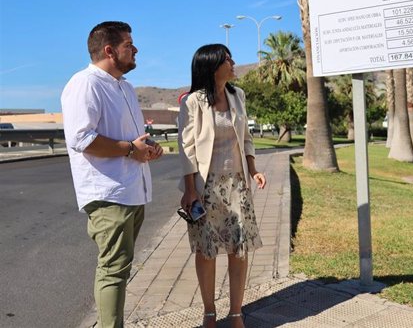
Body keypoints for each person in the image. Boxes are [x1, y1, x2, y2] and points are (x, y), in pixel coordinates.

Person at [61, 21, 164, 328]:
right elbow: (81, 139)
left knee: (120, 269)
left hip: (132, 191)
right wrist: (131, 150)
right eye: (128, 44)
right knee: (113, 269)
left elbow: (131, 139)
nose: (135, 50)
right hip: (108, 194)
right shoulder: (85, 84)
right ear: (109, 50)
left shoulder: (125, 87)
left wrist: (147, 148)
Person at [178, 44, 266, 328]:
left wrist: (253, 170)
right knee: (207, 250)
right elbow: (187, 149)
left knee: (238, 249)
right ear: (212, 66)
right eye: (227, 59)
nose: (233, 63)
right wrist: (190, 190)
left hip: (238, 185)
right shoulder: (192, 102)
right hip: (207, 187)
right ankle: (209, 313)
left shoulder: (237, 95)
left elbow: (247, 137)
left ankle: (236, 313)